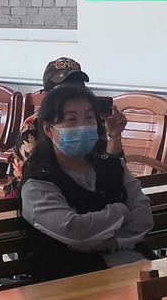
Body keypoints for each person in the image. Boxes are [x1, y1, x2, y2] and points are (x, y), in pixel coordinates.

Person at [18, 82, 153, 282]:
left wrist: (110, 242)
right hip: (73, 280)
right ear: (48, 129)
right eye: (71, 120)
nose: (83, 126)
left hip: (135, 267)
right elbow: (74, 231)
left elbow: (144, 217)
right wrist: (120, 211)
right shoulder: (38, 182)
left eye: (89, 118)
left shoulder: (112, 166)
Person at [0, 57, 129, 196]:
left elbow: (114, 168)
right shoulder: (33, 127)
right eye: (64, 90)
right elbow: (39, 175)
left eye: (78, 87)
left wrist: (114, 136)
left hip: (92, 192)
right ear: (47, 95)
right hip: (39, 195)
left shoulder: (96, 122)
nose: (72, 94)